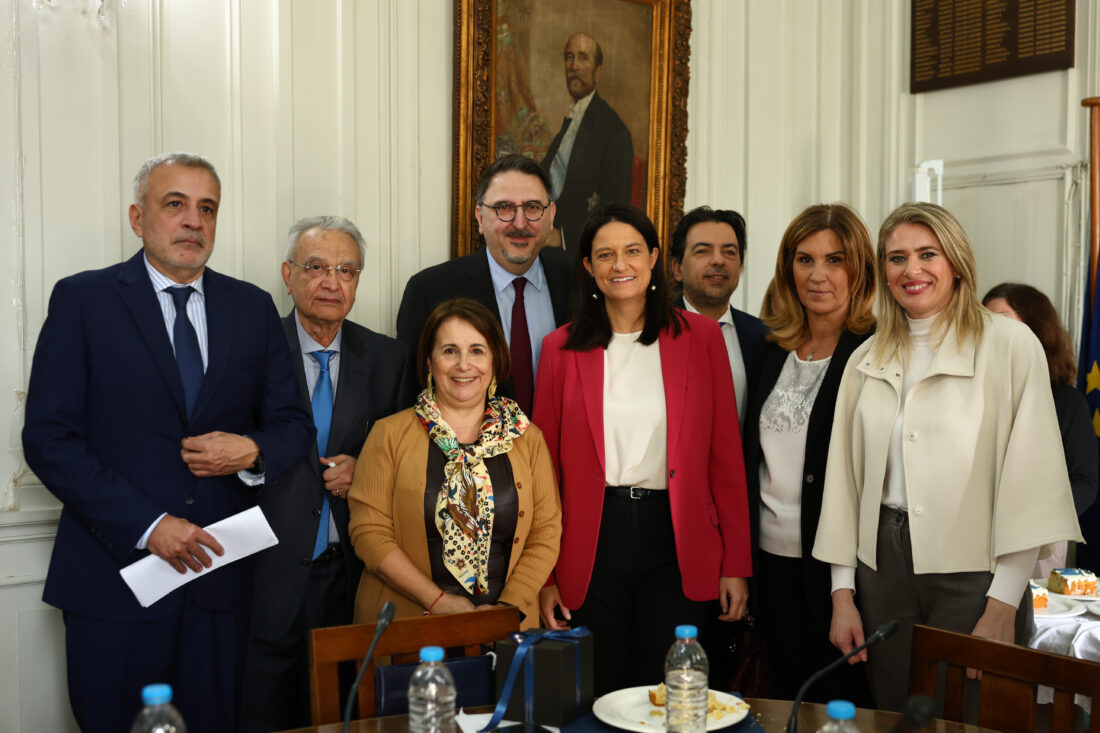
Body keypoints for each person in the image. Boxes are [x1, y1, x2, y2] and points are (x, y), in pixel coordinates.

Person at [21, 152, 315, 732]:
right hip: (115, 584)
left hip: (218, 588)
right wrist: (148, 525)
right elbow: (50, 439)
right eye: (175, 204)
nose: (193, 221)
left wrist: (252, 452)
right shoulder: (83, 300)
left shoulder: (251, 307)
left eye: (207, 208)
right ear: (138, 218)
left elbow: (293, 426)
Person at [813, 202, 1082, 712]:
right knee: (897, 711)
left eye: (927, 254)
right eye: (896, 258)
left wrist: (1003, 605)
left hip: (976, 570)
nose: (911, 269)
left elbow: (1030, 481)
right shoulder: (865, 358)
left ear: (955, 262)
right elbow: (844, 483)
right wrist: (842, 594)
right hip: (881, 568)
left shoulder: (1009, 344)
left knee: (970, 712)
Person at [533, 202, 751, 695]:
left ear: (654, 258)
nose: (620, 265)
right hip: (592, 541)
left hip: (677, 539)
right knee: (601, 692)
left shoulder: (701, 338)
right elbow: (543, 476)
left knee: (668, 693)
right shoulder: (559, 350)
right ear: (588, 266)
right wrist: (544, 577)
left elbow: (725, 459)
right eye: (605, 254)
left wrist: (736, 564)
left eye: (632, 251)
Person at [241, 216, 414, 732]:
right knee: (263, 713)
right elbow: (227, 450)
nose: (331, 282)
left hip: (351, 574)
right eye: (316, 267)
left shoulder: (388, 357)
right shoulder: (250, 350)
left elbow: (408, 459)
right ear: (287, 274)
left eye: (346, 270)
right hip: (265, 572)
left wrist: (366, 470)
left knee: (345, 714)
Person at [348, 298, 561, 626]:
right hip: (407, 626)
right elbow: (369, 532)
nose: (464, 364)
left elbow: (546, 532)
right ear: (429, 362)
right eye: (450, 351)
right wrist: (437, 602)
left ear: (494, 361)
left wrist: (508, 609)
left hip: (507, 627)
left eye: (477, 350)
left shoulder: (526, 438)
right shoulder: (388, 435)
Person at [740, 203, 875, 704]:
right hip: (769, 564)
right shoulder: (769, 348)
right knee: (780, 700)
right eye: (805, 259)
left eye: (835, 260)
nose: (818, 275)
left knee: (838, 705)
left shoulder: (876, 351)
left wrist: (845, 590)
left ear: (859, 269)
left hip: (838, 570)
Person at [396, 155, 572, 415]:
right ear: (480, 217)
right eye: (504, 207)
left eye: (533, 207)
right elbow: (414, 399)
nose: (520, 222)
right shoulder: (429, 291)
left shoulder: (580, 287)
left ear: (551, 215)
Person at [983, 282, 1099, 576]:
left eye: (1002, 319)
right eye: (984, 321)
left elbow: (1084, 481)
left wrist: (1035, 516)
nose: (990, 330)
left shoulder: (1066, 401)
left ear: (1035, 329)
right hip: (972, 533)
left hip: (1036, 540)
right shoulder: (972, 394)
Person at [669, 205, 767, 425]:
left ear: (740, 267)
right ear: (677, 268)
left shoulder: (764, 338)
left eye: (729, 252)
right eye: (703, 251)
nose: (718, 261)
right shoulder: (653, 333)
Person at [540, 32, 634, 253]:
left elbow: (614, 213)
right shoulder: (570, 122)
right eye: (569, 57)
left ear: (598, 72)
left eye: (583, 58)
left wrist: (563, 237)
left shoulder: (614, 131)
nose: (574, 66)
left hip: (578, 253)